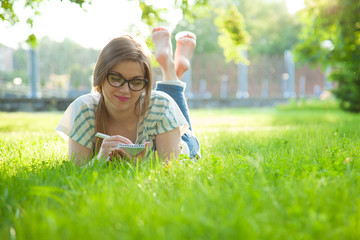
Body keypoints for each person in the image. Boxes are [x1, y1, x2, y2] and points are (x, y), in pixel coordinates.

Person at [56, 27, 200, 167]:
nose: (125, 90)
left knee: (166, 101)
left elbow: (171, 168)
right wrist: (99, 160)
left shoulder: (161, 105)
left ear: (146, 84)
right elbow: (77, 172)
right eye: (116, 79)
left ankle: (169, 66)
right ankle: (175, 68)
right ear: (100, 76)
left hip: (183, 142)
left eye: (136, 82)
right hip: (161, 117)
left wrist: (137, 165)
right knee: (165, 101)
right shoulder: (84, 110)